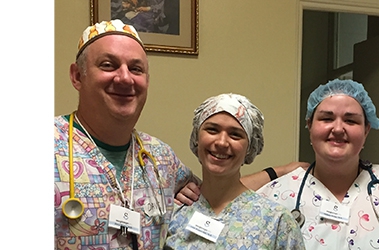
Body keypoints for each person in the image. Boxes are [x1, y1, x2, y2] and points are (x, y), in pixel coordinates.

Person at [54, 19, 199, 249]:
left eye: (136, 69)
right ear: (77, 76)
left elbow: (222, 191)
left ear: (147, 81)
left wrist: (275, 172)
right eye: (108, 65)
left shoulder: (161, 159)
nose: (125, 78)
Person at [255, 79, 379, 249]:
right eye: (327, 118)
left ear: (366, 131)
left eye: (350, 120)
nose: (338, 128)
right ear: (309, 126)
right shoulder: (272, 198)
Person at [164, 93, 305, 249]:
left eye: (235, 134)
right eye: (212, 130)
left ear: (250, 148)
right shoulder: (174, 212)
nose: (222, 142)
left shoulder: (276, 220)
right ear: (197, 138)